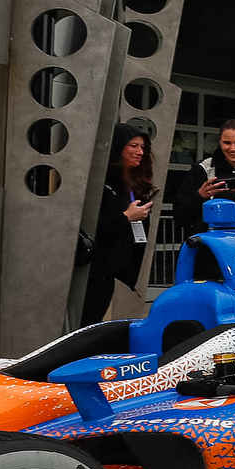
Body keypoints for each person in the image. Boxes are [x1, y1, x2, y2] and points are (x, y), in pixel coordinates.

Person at [81, 124, 154, 324]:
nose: (140, 152)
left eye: (142, 147)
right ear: (118, 147)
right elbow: (92, 226)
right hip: (92, 268)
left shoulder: (130, 180)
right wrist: (127, 216)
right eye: (133, 146)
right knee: (87, 320)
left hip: (110, 269)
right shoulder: (101, 181)